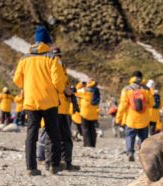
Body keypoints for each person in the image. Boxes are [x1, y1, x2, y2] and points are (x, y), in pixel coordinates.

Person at [13, 25, 67, 176]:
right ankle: (53, 166)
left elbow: (17, 80)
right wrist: (60, 89)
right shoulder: (52, 58)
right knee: (53, 133)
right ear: (47, 42)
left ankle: (31, 167)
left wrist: (29, 85)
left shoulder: (24, 58)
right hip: (49, 101)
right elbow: (58, 82)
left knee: (31, 135)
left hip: (30, 102)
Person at [116, 70, 154, 162]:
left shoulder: (126, 89)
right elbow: (152, 104)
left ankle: (130, 152)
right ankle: (143, 156)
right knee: (144, 138)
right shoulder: (147, 89)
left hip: (131, 119)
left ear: (132, 77)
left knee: (129, 136)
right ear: (142, 78)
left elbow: (122, 106)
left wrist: (118, 118)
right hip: (144, 119)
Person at [77, 79, 100, 147]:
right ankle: (93, 144)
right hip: (93, 113)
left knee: (85, 128)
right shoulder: (96, 90)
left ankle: (87, 144)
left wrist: (80, 84)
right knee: (92, 129)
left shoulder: (84, 90)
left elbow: (75, 91)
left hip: (85, 112)